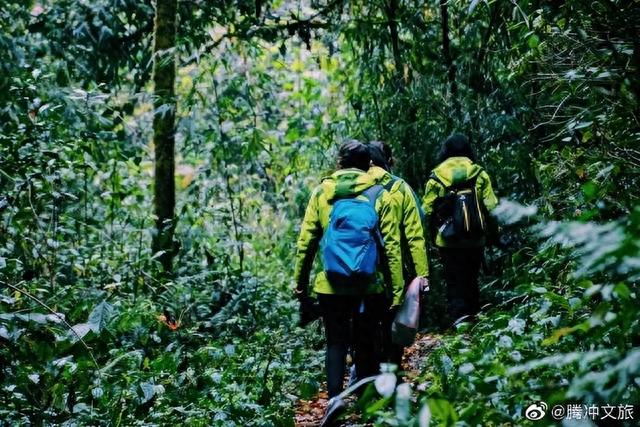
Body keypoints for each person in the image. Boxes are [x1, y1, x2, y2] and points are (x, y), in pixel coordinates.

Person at [293, 140, 404, 425]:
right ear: (369, 165)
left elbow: (306, 243)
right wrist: (396, 291)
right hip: (369, 286)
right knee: (366, 341)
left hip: (330, 285)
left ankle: (335, 399)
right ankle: (367, 406)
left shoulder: (322, 193)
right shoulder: (380, 194)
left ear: (339, 163)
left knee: (336, 341)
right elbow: (391, 248)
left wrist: (300, 285)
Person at [422, 134, 498, 323]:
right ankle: (475, 321)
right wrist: (493, 234)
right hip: (475, 239)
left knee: (454, 281)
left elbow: (427, 211)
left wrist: (430, 237)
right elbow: (492, 207)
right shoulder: (479, 173)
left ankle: (459, 322)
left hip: (447, 241)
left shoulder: (436, 176)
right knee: (472, 279)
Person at [367, 140, 429, 367]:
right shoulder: (400, 187)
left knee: (367, 321)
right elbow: (415, 235)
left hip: (359, 268)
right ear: (387, 161)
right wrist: (422, 274)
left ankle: (368, 371)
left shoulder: (352, 187)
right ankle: (392, 368)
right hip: (395, 267)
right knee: (392, 319)